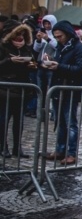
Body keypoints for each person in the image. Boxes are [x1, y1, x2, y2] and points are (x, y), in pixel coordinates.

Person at [43, 21, 82, 165]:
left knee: (70, 122)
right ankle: (60, 149)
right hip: (59, 88)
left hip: (70, 89)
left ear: (68, 34)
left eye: (60, 36)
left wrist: (60, 67)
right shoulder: (60, 48)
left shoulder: (79, 48)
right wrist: (50, 62)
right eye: (56, 37)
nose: (58, 39)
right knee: (60, 121)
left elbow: (81, 69)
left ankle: (71, 153)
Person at [0, 21, 37, 158]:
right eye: (17, 34)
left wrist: (33, 65)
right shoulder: (3, 46)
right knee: (3, 119)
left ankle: (17, 147)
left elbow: (33, 61)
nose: (20, 37)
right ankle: (3, 147)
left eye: (22, 34)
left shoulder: (26, 48)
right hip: (5, 88)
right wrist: (10, 61)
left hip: (22, 88)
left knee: (19, 120)